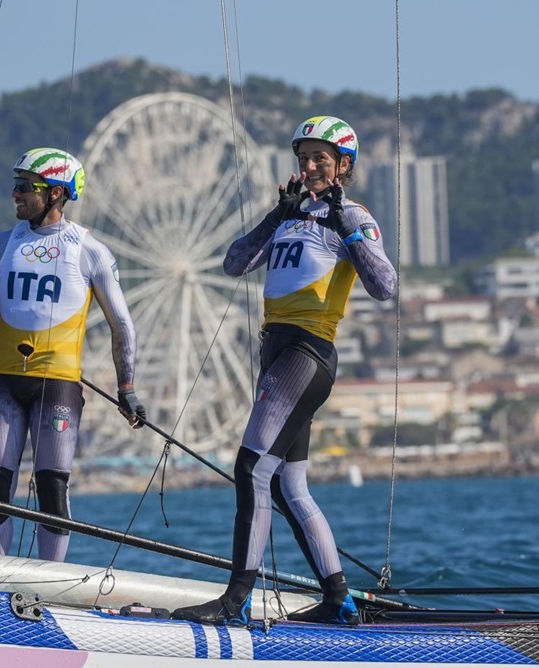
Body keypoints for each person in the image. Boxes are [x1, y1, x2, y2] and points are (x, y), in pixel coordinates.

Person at [171, 116, 397, 625]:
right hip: (274, 353)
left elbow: (385, 285)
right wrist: (276, 217)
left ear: (344, 165)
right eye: (304, 158)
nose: (310, 166)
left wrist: (345, 227)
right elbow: (232, 264)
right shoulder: (293, 215)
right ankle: (338, 599)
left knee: (251, 469)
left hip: (307, 354)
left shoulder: (355, 214)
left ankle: (235, 600)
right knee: (287, 487)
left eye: (321, 158)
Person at [0, 147, 146, 562]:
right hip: (4, 382)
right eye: (15, 185)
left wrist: (127, 388)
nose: (15, 193)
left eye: (25, 187)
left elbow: (122, 325)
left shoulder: (89, 250)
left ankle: (50, 586)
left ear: (56, 194)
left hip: (58, 386)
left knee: (52, 485)